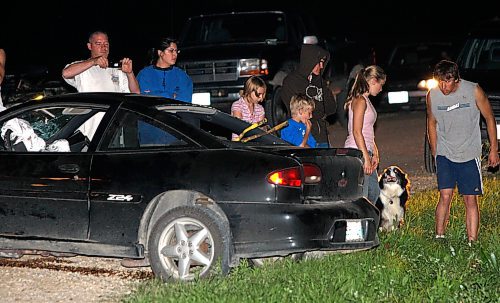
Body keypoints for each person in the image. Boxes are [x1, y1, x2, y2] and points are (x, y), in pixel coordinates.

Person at [426, 60, 499, 243]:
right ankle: (439, 236)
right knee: (445, 195)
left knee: (470, 199)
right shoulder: (432, 95)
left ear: (456, 79)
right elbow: (431, 123)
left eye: (447, 81)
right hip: (445, 151)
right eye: (440, 82)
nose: (443, 86)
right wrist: (435, 152)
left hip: (469, 152)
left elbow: (489, 118)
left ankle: (472, 241)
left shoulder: (473, 90)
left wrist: (494, 150)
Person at [344, 65, 386, 204]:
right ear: (373, 80)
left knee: (373, 192)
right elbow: (357, 131)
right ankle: (362, 223)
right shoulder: (360, 101)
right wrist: (365, 157)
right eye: (381, 85)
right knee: (364, 195)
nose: (381, 89)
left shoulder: (366, 100)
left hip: (365, 149)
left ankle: (368, 223)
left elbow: (368, 130)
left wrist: (375, 152)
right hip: (357, 151)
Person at [280, 44, 336, 147]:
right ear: (309, 61)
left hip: (321, 135)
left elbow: (331, 108)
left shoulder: (320, 82)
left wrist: (323, 88)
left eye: (323, 63)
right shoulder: (291, 82)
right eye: (319, 62)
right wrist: (318, 108)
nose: (322, 66)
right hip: (300, 136)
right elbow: (297, 111)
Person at [62, 30, 140, 94]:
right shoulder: (82, 67)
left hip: (113, 112)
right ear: (89, 46)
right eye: (98, 44)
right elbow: (66, 73)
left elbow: (136, 93)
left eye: (106, 44)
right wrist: (94, 61)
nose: (103, 47)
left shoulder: (117, 69)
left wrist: (130, 73)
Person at [137, 37, 193, 102]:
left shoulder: (182, 76)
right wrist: (171, 95)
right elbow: (143, 99)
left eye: (176, 51)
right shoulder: (145, 74)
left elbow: (184, 101)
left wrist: (155, 94)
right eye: (171, 51)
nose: (175, 55)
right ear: (160, 53)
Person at [231, 76, 266, 140]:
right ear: (249, 91)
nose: (261, 98)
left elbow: (261, 132)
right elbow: (239, 128)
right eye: (258, 94)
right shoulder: (237, 106)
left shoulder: (260, 109)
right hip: (239, 145)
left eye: (262, 94)